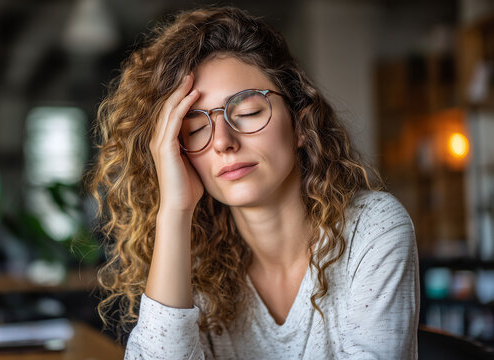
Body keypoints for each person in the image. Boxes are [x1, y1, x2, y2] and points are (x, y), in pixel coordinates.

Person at [88, 6, 419, 359]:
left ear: (301, 126)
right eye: (196, 129)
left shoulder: (372, 231)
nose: (222, 142)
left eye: (248, 113)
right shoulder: (194, 268)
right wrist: (174, 210)